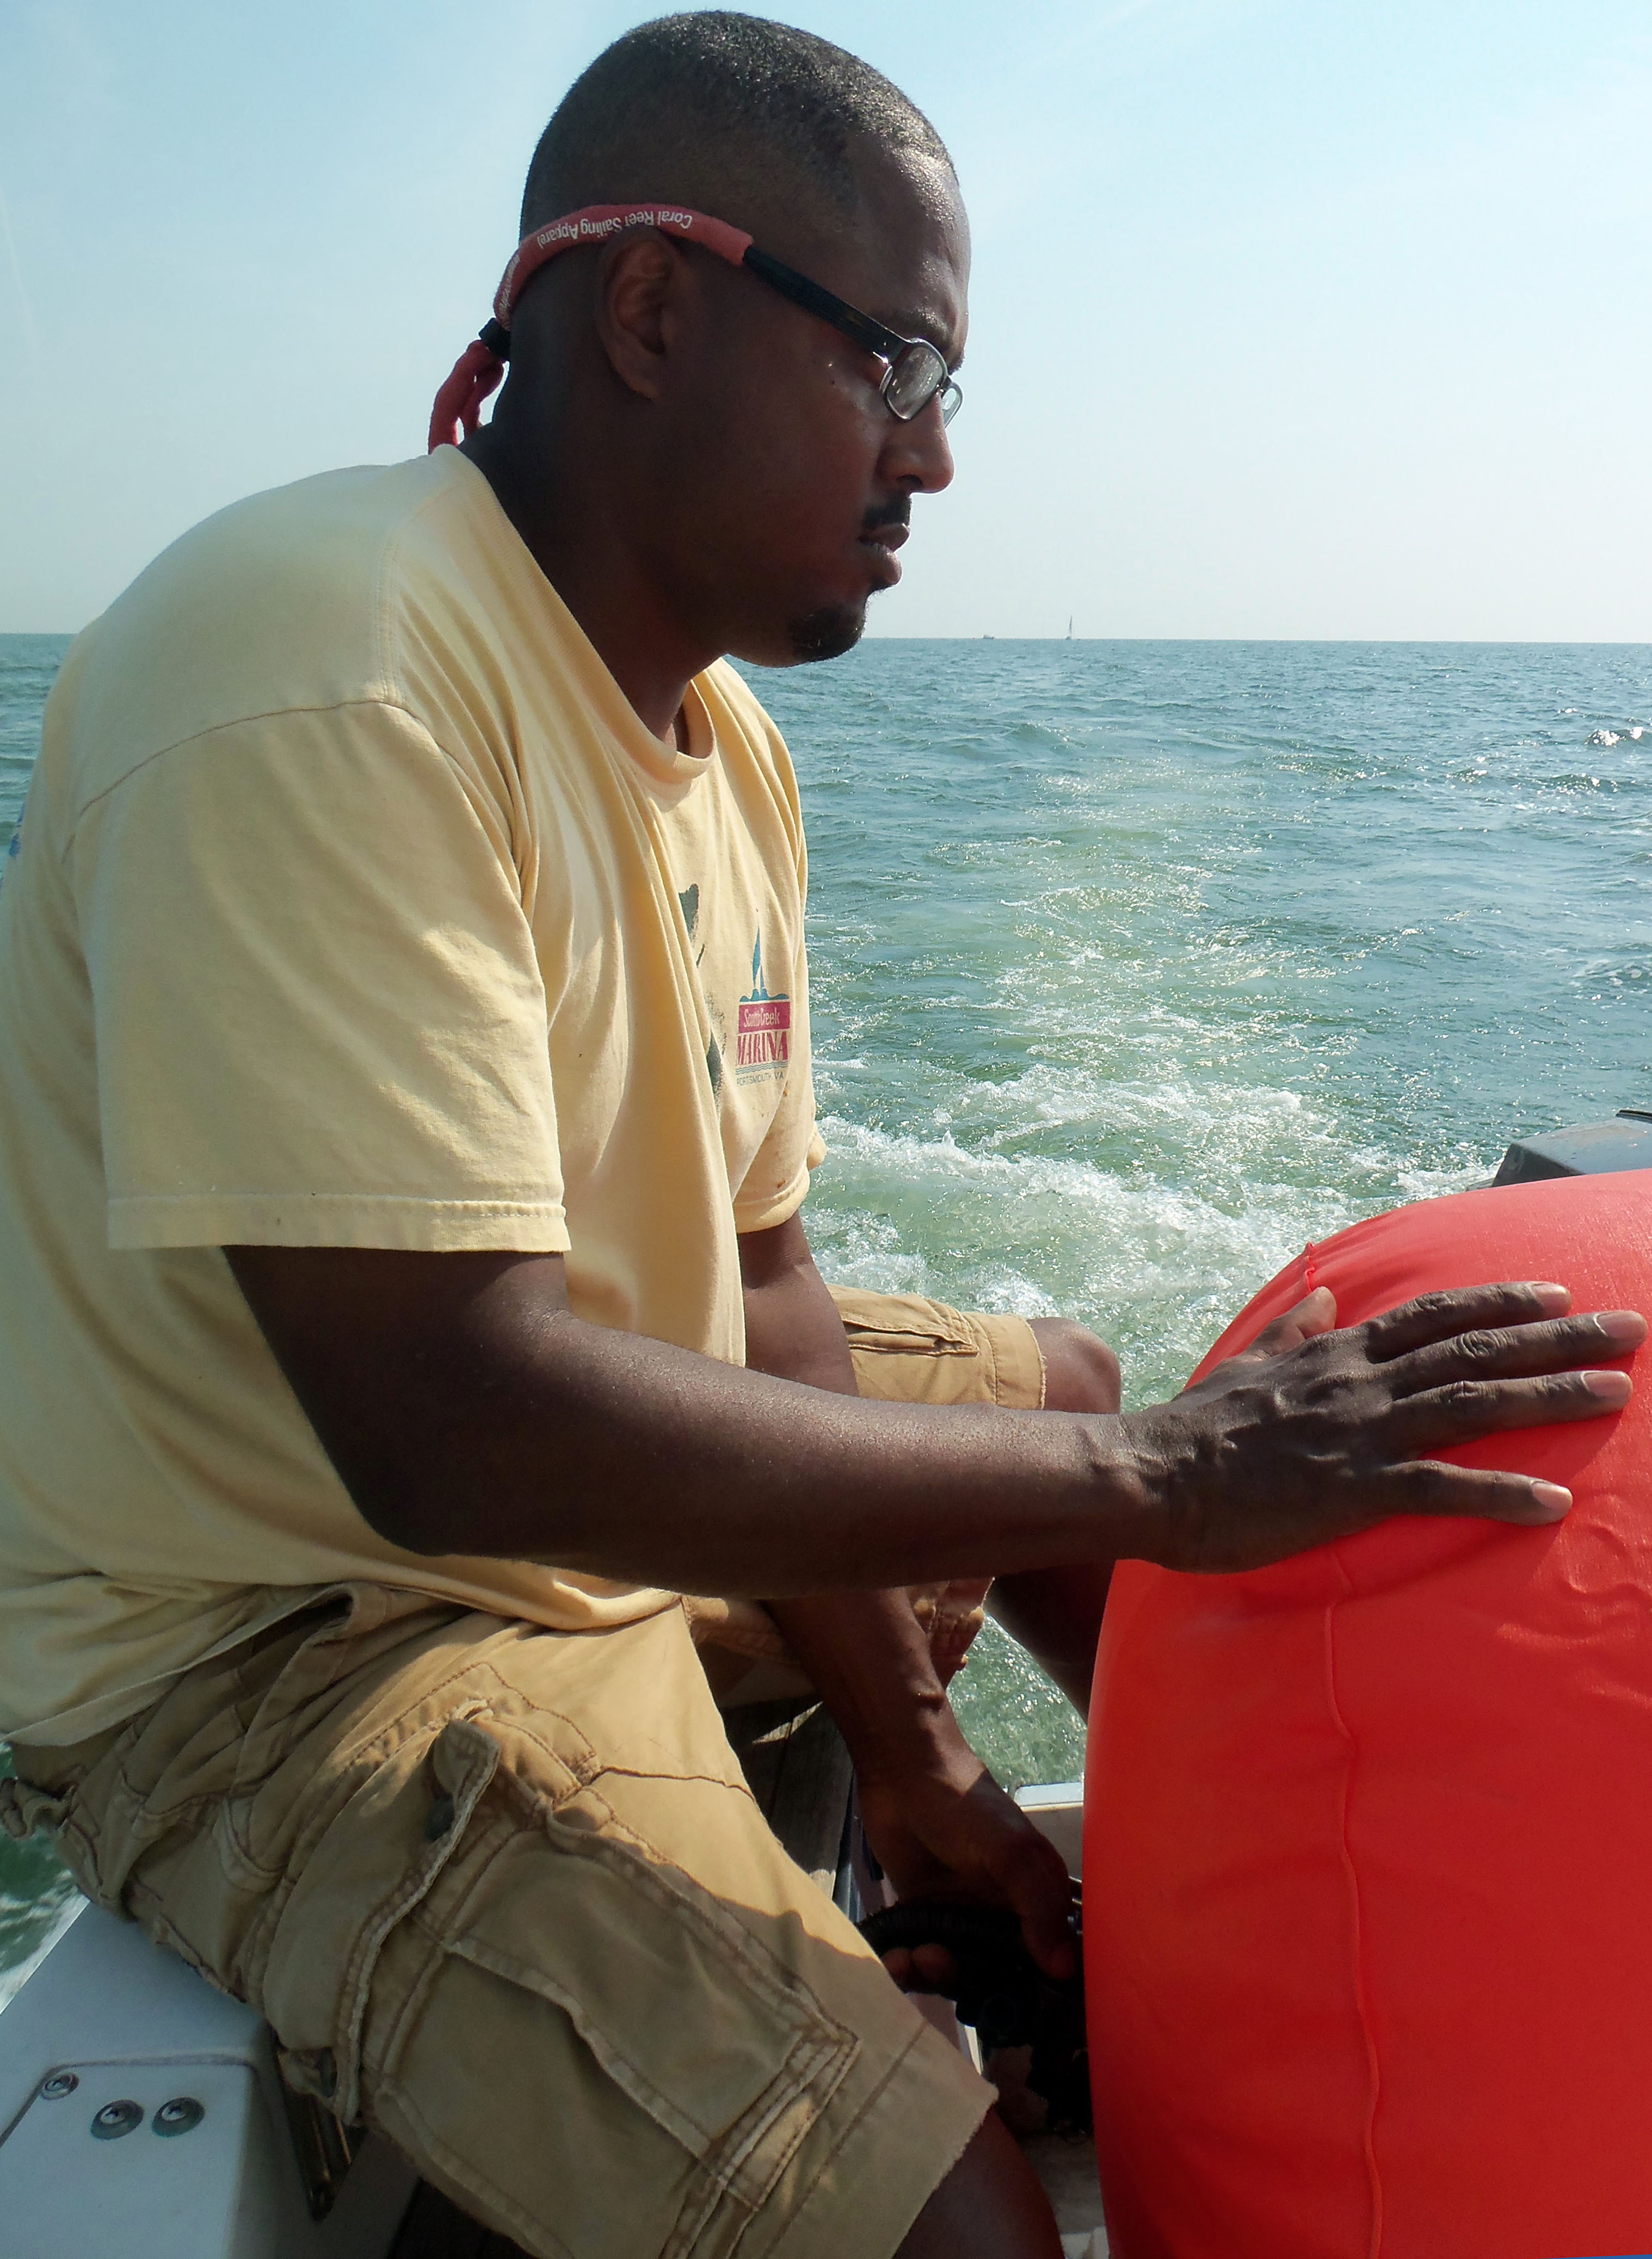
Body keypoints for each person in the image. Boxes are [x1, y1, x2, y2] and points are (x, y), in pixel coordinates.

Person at [0, 15, 1639, 2258]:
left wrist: (918, 1753)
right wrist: (1166, 1478)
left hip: (567, 1463)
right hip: (295, 1629)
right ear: (651, 310)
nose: (934, 459)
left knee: (1059, 1394)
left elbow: (767, 1293)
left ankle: (1197, 1969)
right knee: (957, 2235)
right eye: (896, 367)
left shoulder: (726, 747)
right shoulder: (331, 666)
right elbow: (447, 1428)